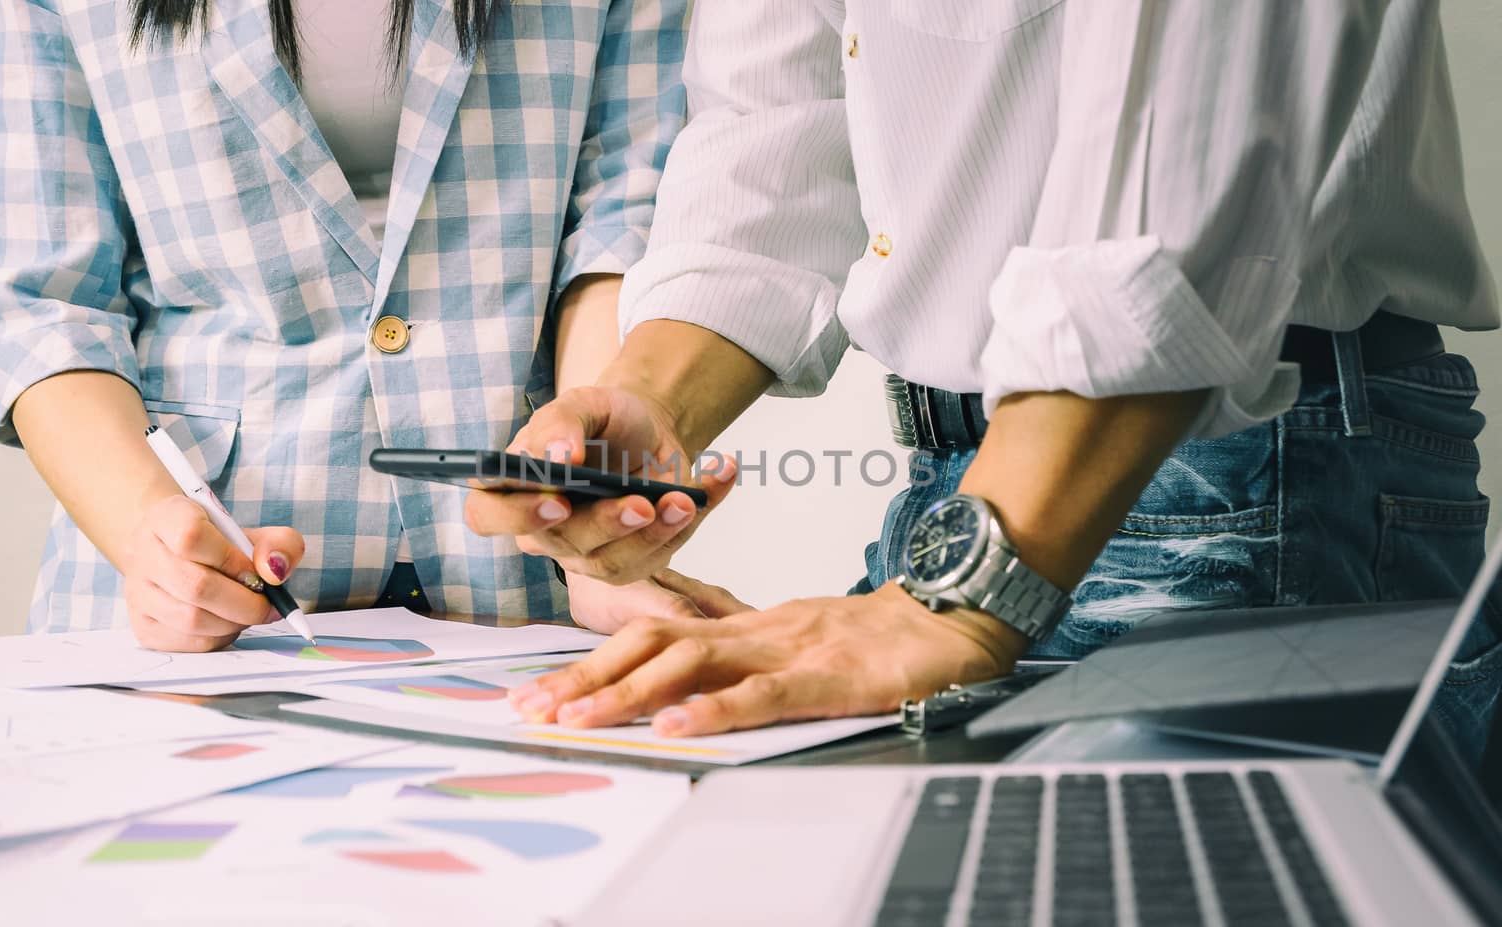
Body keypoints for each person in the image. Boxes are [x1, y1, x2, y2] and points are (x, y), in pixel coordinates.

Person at [467, 1, 1502, 769]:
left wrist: (963, 599)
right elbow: (779, 130)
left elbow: (1177, 167)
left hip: (1232, 473)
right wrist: (650, 398)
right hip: (965, 491)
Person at [0, 0, 732, 651]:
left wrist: (588, 518)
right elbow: (39, 299)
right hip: (200, 585)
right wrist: (148, 535)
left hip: (520, 578)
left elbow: (622, 220)